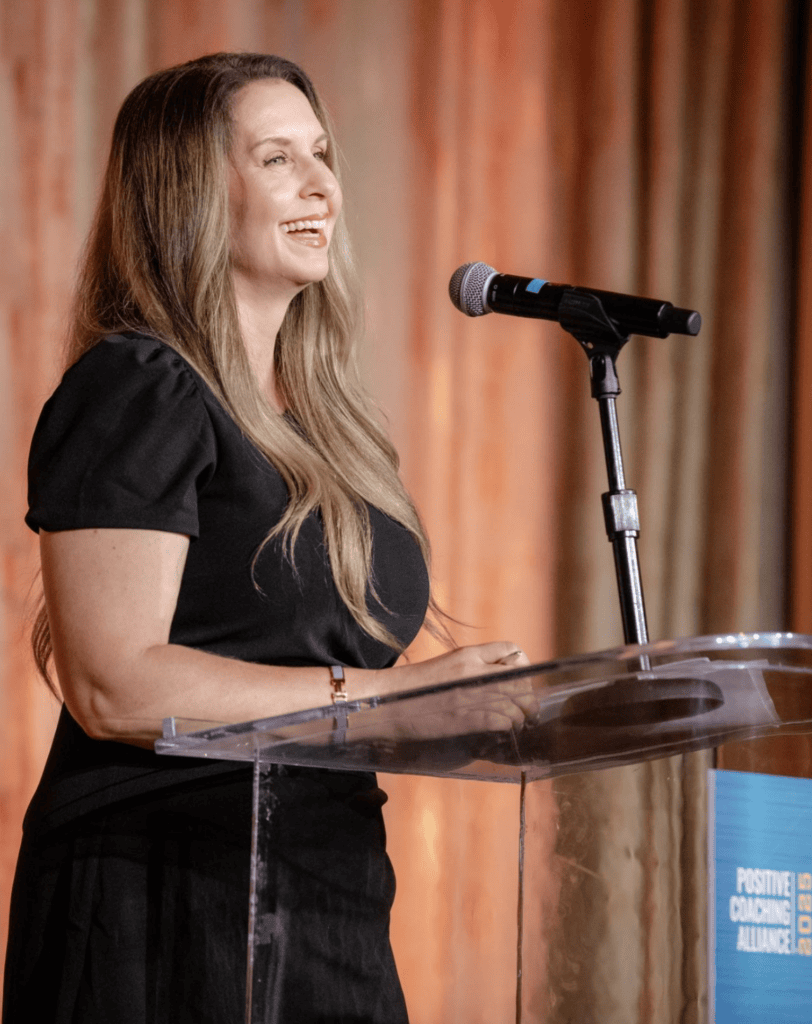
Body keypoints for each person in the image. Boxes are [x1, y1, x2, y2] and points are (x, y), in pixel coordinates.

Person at [3, 52, 530, 1024]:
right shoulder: (139, 386)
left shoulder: (328, 433)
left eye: (321, 153)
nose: (323, 183)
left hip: (327, 891)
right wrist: (389, 696)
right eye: (276, 157)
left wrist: (455, 709)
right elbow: (113, 682)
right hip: (166, 897)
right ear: (191, 194)